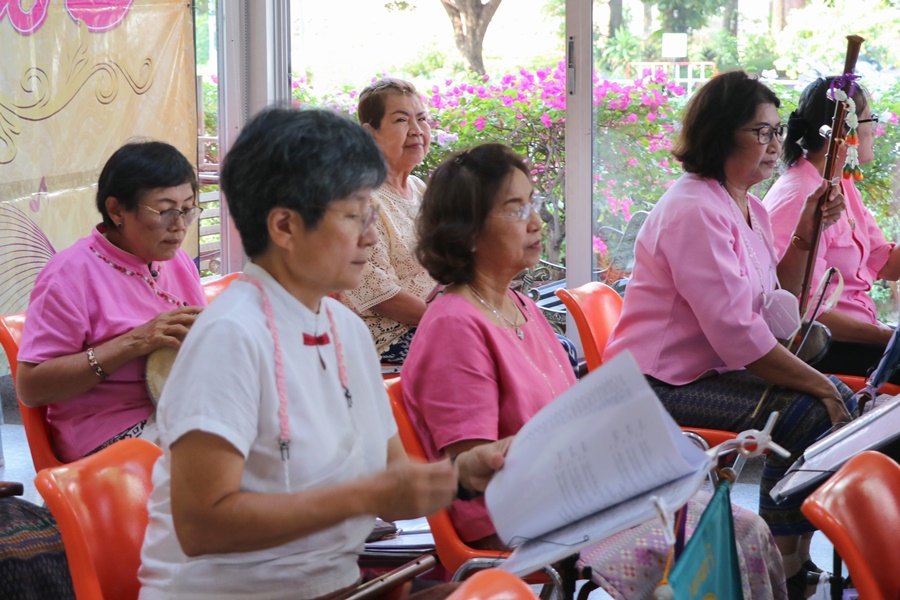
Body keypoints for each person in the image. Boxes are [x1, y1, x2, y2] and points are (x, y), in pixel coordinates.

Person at [138, 107, 508, 600]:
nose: (371, 235)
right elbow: (201, 525)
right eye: (355, 216)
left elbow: (392, 485)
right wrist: (361, 496)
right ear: (285, 226)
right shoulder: (231, 336)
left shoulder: (345, 328)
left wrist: (460, 475)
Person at [404, 143, 787, 599]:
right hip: (520, 521)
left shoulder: (521, 306)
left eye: (532, 204)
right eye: (515, 209)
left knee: (740, 526)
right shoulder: (454, 323)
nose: (535, 222)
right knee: (718, 542)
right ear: (466, 231)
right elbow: (475, 468)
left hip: (571, 500)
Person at [602, 71, 856, 599]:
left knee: (837, 402)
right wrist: (821, 386)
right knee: (813, 411)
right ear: (720, 134)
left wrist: (807, 231)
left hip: (705, 373)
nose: (776, 143)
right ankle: (783, 564)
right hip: (653, 388)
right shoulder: (694, 208)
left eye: (777, 130)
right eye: (761, 132)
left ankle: (789, 555)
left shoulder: (744, 205)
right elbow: (739, 335)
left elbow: (773, 301)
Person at [16, 141, 206, 463]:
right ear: (117, 210)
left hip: (179, 410)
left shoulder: (177, 261)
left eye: (187, 210)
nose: (179, 225)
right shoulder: (68, 274)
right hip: (108, 433)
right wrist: (133, 342)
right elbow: (31, 388)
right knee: (224, 456)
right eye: (165, 211)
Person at [764, 76, 900, 381]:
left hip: (863, 338)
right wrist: (887, 338)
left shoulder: (842, 184)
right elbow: (802, 311)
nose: (875, 130)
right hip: (824, 349)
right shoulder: (799, 196)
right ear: (843, 131)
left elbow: (885, 263)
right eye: (870, 120)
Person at [338, 78, 440, 364]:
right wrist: (452, 320)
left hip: (438, 319)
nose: (417, 130)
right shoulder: (359, 198)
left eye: (422, 119)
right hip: (389, 337)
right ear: (370, 134)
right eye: (401, 120)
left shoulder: (419, 188)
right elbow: (381, 295)